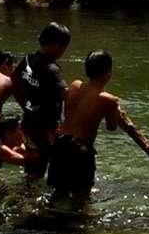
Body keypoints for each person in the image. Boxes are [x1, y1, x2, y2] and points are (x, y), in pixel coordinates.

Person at [46, 49, 120, 211]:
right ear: (108, 73)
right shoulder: (108, 99)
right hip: (79, 148)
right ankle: (77, 227)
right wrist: (116, 110)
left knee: (59, 191)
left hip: (60, 143)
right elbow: (111, 127)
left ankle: (47, 216)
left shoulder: (74, 85)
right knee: (81, 196)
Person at [11, 22, 71, 181]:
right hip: (47, 127)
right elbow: (67, 95)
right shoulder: (52, 69)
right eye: (64, 47)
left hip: (30, 123)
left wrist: (26, 105)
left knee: (33, 168)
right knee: (60, 166)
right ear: (57, 46)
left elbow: (14, 81)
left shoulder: (27, 60)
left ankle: (22, 196)